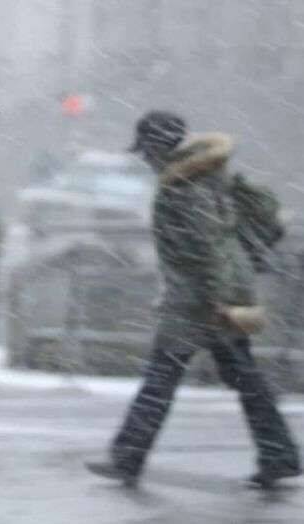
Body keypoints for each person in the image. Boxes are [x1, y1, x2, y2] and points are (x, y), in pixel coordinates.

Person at [86, 111, 301, 489]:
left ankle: (128, 457)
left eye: (146, 149)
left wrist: (218, 300)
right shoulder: (205, 176)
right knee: (243, 380)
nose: (145, 158)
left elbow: (206, 248)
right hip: (214, 293)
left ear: (159, 146)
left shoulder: (184, 186)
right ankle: (278, 455)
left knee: (161, 379)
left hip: (199, 301)